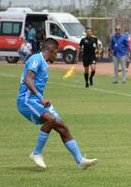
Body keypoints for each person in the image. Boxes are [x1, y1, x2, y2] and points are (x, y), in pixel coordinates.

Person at [16, 38, 98, 170]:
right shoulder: (36, 59)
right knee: (51, 119)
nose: (57, 55)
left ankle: (80, 160)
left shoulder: (43, 63)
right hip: (27, 101)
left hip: (36, 100)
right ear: (51, 50)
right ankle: (36, 153)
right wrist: (40, 97)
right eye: (57, 52)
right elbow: (28, 79)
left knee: (61, 125)